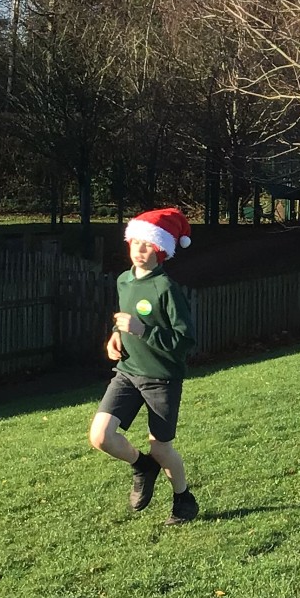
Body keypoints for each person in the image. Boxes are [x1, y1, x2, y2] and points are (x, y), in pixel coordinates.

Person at [88, 206, 200, 522]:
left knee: (161, 449)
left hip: (161, 378)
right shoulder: (124, 280)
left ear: (161, 249)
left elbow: (185, 341)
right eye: (135, 243)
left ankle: (183, 499)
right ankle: (142, 465)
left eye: (147, 245)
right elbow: (127, 317)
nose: (139, 250)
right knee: (100, 437)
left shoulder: (166, 289)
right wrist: (116, 335)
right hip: (127, 372)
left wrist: (143, 331)